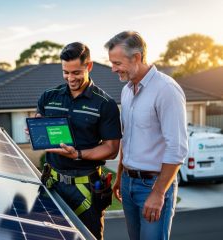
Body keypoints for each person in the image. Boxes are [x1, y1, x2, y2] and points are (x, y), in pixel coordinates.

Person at [104, 31, 188, 240]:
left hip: (153, 185)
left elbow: (177, 148)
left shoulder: (166, 89)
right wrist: (121, 175)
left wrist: (158, 193)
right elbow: (128, 137)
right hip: (128, 183)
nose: (113, 69)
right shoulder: (127, 90)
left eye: (117, 63)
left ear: (137, 58)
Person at [36, 42, 122, 239]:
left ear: (88, 66)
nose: (70, 78)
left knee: (88, 237)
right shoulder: (49, 97)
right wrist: (34, 131)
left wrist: (78, 154)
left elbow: (111, 149)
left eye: (76, 72)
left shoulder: (105, 104)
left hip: (86, 189)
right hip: (53, 184)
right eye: (65, 72)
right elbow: (39, 123)